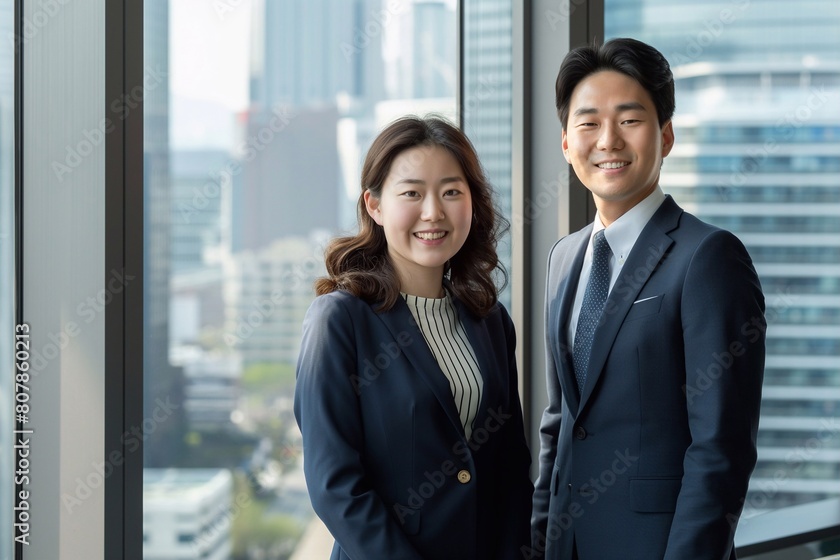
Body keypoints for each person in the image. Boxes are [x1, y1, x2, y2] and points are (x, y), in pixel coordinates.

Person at [530, 38, 767, 559]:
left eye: (629, 120)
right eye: (588, 123)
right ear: (567, 143)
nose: (608, 140)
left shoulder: (708, 258)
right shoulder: (564, 258)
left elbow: (721, 449)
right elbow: (561, 424)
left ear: (666, 136)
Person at [294, 116, 532, 560]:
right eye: (411, 193)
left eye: (451, 191)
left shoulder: (491, 321)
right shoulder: (340, 320)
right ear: (375, 205)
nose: (433, 212)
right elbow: (335, 487)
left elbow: (510, 471)